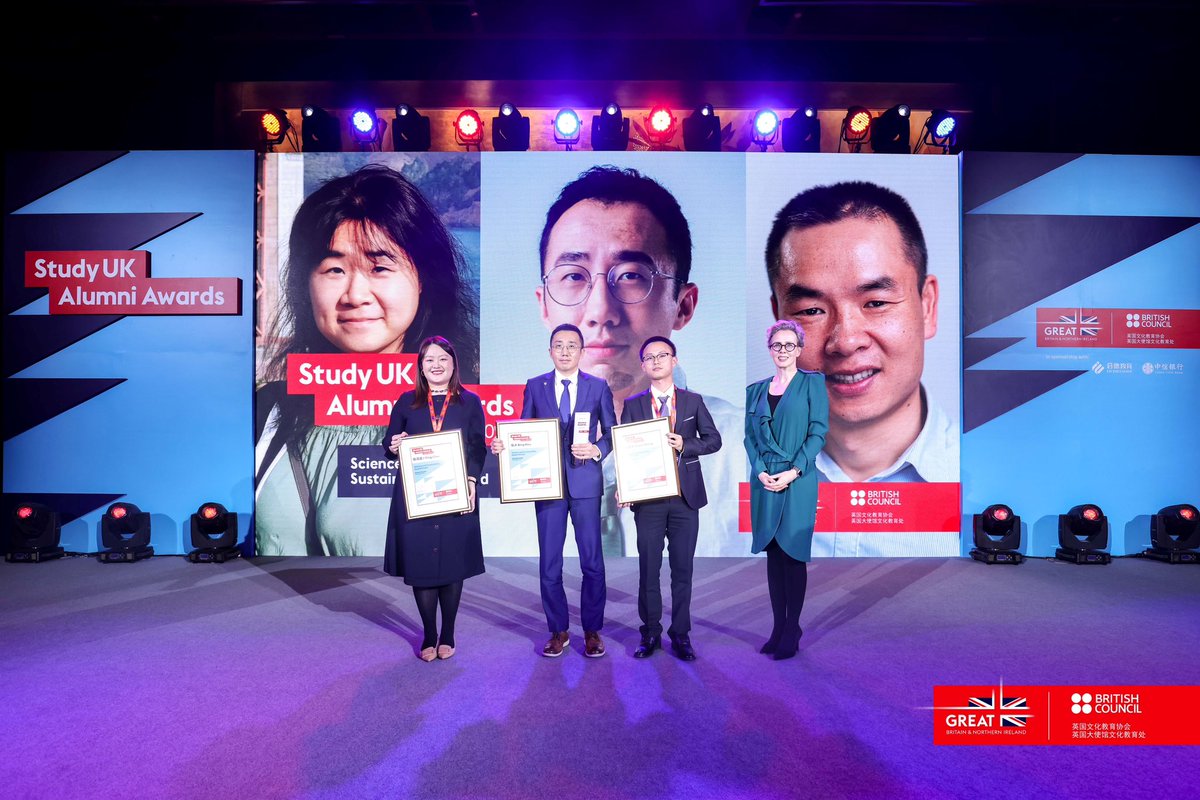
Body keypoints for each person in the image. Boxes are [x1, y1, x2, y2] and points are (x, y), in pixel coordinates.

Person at [255, 163, 479, 556]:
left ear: (424, 278)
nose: (355, 294)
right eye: (334, 269)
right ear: (305, 284)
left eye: (379, 267)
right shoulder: (265, 412)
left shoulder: (475, 410)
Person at [534, 165, 743, 557]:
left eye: (630, 275)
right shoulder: (515, 451)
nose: (599, 311)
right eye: (573, 276)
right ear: (543, 305)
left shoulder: (743, 451)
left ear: (683, 305)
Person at [764, 180, 956, 486]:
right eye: (811, 311)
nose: (846, 341)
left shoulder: (987, 470)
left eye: (876, 303)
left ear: (927, 306)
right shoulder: (728, 473)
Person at [491, 323, 616, 658]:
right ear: (550, 351)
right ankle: (558, 629)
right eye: (558, 345)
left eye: (571, 346)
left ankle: (592, 630)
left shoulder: (598, 387)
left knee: (592, 562)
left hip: (586, 483)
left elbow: (612, 432)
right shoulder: (535, 386)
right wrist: (506, 444)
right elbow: (523, 430)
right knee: (550, 563)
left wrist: (597, 449)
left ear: (581, 351)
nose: (564, 351)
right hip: (546, 485)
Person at [619, 336, 722, 661]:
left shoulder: (692, 401)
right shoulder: (634, 405)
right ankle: (649, 633)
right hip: (648, 500)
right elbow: (626, 453)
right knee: (648, 570)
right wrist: (625, 485)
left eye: (662, 355)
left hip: (684, 499)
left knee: (682, 570)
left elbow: (714, 440)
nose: (656, 361)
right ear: (643, 365)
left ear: (674, 361)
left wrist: (685, 444)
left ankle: (681, 634)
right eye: (649, 357)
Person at [384, 336, 485, 661]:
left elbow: (477, 447)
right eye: (429, 360)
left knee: (452, 564)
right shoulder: (406, 401)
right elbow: (388, 442)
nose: (437, 365)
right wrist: (394, 445)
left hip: (457, 495)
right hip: (417, 498)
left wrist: (471, 479)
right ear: (421, 366)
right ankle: (429, 633)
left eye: (443, 358)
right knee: (422, 563)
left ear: (454, 364)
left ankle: (449, 632)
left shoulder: (469, 402)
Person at [744, 320, 828, 660]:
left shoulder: (812, 384)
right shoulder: (755, 390)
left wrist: (793, 471)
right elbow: (749, 437)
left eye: (789, 345)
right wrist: (761, 470)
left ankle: (792, 628)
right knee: (773, 556)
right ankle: (778, 627)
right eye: (777, 345)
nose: (782, 351)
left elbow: (818, 433)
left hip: (798, 479)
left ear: (799, 348)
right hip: (765, 481)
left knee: (792, 555)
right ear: (769, 349)